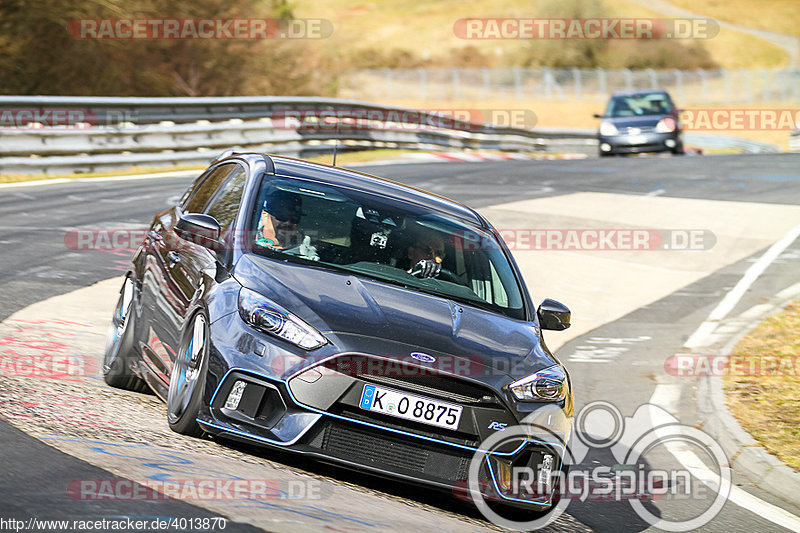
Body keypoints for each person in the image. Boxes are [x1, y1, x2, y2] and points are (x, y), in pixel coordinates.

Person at [255, 189, 318, 260]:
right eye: (282, 216)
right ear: (265, 217)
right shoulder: (246, 244)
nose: (288, 222)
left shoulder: (307, 255)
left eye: (294, 218)